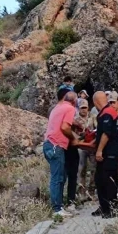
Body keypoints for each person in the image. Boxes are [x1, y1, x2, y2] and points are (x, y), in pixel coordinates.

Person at [43, 89, 78, 218]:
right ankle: (57, 209)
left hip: (49, 144)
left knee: (59, 176)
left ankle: (59, 206)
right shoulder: (70, 108)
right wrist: (74, 138)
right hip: (56, 146)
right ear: (73, 100)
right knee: (57, 178)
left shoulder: (57, 108)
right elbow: (64, 127)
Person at [91, 91, 118, 219]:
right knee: (99, 179)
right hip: (106, 152)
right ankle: (104, 207)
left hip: (109, 152)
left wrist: (99, 150)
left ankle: (112, 209)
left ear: (95, 102)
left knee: (108, 180)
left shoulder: (108, 113)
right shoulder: (104, 113)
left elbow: (106, 133)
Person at [74, 98, 97, 200]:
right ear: (78, 108)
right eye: (81, 108)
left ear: (88, 108)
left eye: (85, 108)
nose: (83, 110)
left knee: (94, 168)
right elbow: (73, 133)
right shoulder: (75, 119)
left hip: (92, 145)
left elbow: (97, 129)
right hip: (81, 146)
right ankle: (81, 192)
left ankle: (91, 191)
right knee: (81, 169)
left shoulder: (93, 117)